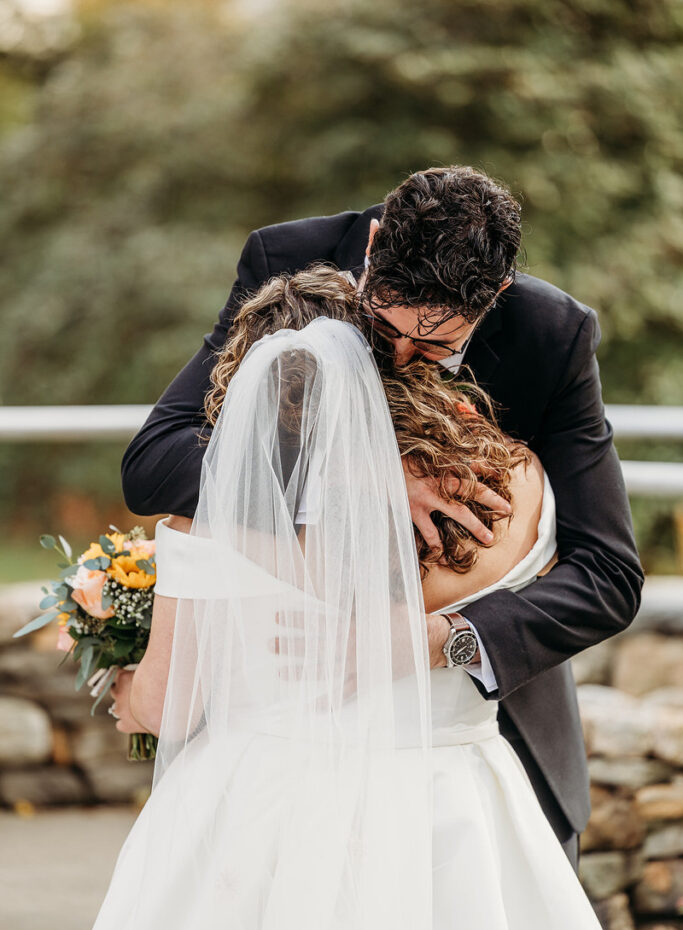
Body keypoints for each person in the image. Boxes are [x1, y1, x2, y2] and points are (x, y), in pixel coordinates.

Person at [47, 283, 641, 930]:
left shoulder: (208, 526)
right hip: (454, 799)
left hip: (265, 804)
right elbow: (600, 578)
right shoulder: (513, 483)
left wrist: (121, 674)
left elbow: (167, 709)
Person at [120, 166, 644, 869]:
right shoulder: (286, 264)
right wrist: (360, 477)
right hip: (285, 735)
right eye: (382, 326)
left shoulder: (551, 333)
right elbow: (155, 459)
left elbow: (607, 575)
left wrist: (435, 640)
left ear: (495, 296)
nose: (395, 358)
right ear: (371, 245)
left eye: (431, 348)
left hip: (486, 734)